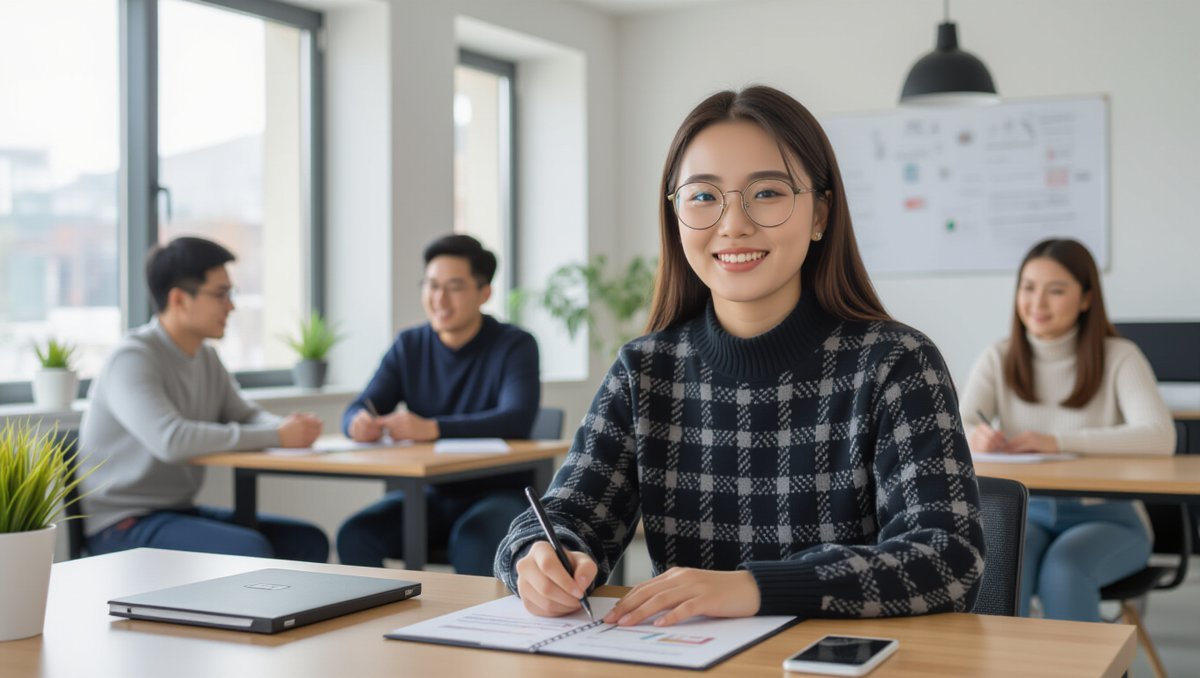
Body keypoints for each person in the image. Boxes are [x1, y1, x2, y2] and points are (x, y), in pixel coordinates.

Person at [495, 86, 985, 626]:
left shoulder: (897, 363)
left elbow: (948, 557)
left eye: (767, 192)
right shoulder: (645, 371)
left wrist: (758, 587)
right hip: (683, 655)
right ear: (676, 215)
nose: (733, 224)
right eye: (704, 196)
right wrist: (538, 558)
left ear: (820, 214)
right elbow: (566, 513)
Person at [960, 238, 1175, 621]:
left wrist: (1056, 441)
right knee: (1003, 564)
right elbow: (958, 425)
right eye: (1028, 288)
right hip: (1027, 513)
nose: (1038, 303)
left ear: (1087, 298)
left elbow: (1160, 435)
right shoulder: (999, 356)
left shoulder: (1119, 355)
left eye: (1056, 291)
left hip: (1109, 517)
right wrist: (976, 435)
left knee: (1065, 569)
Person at [78, 236, 329, 561]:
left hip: (178, 511)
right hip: (122, 525)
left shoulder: (206, 358)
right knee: (248, 548)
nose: (231, 306)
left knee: (307, 541)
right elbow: (172, 440)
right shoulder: (132, 359)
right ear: (179, 299)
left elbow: (245, 414)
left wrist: (288, 427)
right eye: (221, 294)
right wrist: (278, 436)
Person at [337, 234, 540, 574]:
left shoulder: (515, 345)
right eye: (431, 286)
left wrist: (433, 428)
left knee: (474, 540)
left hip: (499, 494)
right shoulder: (410, 345)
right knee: (356, 535)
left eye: (454, 287)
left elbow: (516, 419)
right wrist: (357, 422)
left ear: (484, 293)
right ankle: (390, 610)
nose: (439, 299)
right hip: (427, 495)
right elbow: (362, 405)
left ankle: (473, 614)